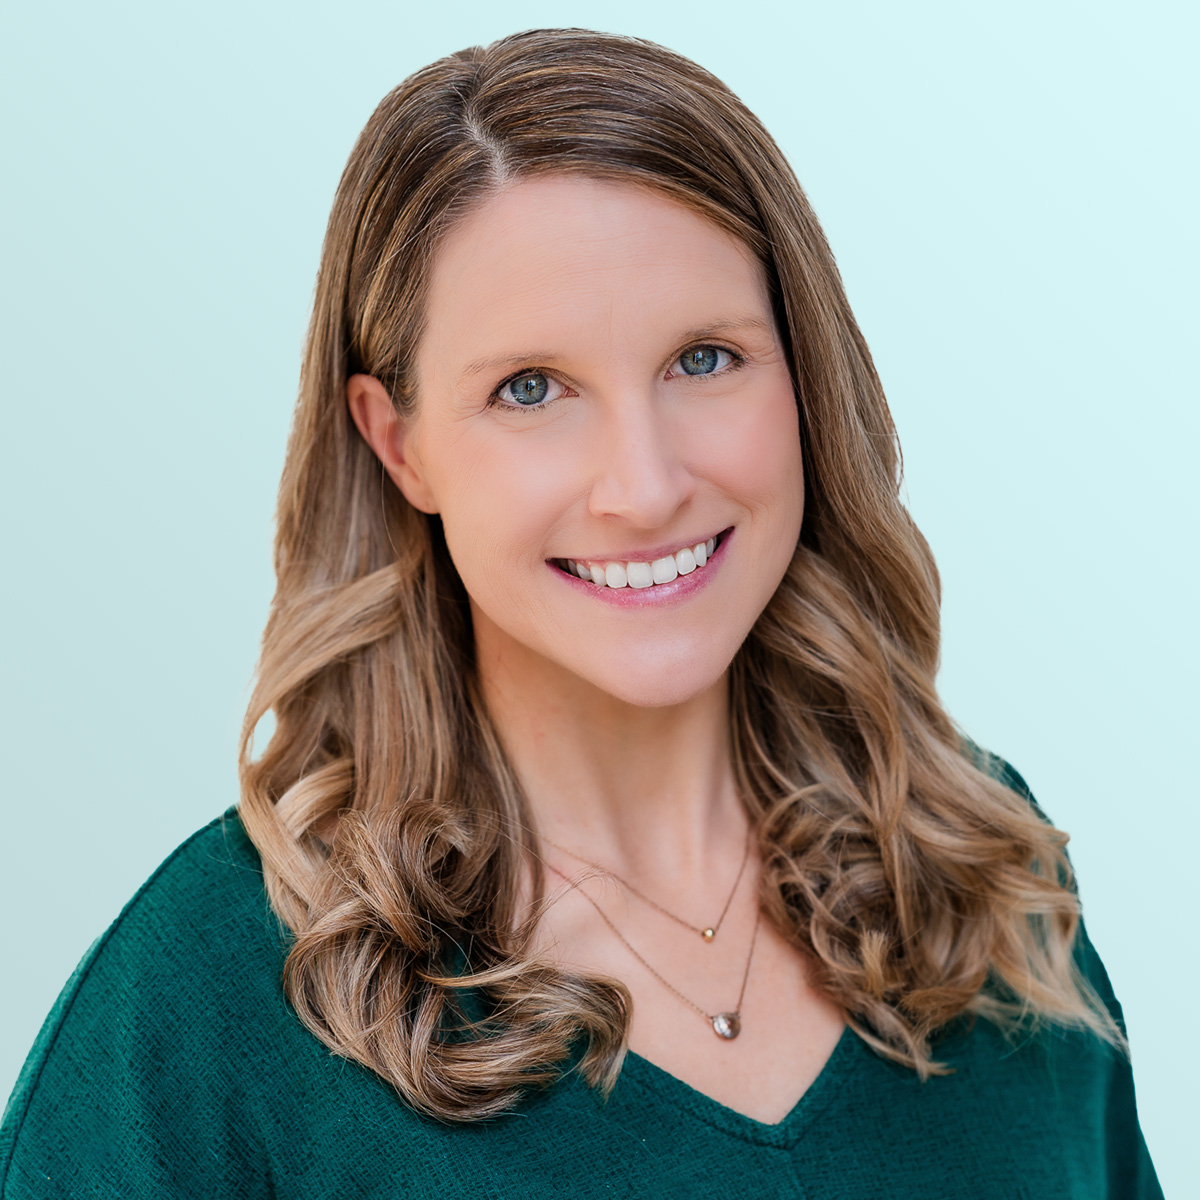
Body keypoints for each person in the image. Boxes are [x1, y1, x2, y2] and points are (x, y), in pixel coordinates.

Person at [0, 27, 1162, 1198]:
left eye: (704, 360)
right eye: (530, 390)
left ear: (806, 379)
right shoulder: (209, 1001)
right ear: (397, 444)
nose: (645, 485)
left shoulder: (986, 880)